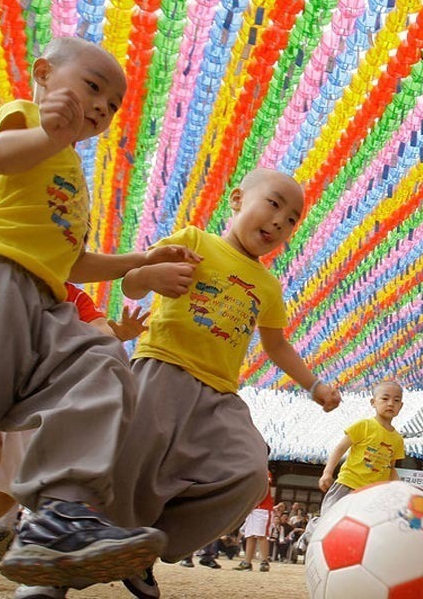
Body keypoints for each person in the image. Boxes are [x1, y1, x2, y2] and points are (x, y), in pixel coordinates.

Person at [0, 36, 198, 590]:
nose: (102, 107)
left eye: (112, 104)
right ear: (43, 74)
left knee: (99, 362)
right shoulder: (24, 118)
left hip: (43, 300)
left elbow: (71, 259)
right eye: (92, 87)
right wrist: (47, 132)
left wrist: (141, 259)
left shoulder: (72, 175)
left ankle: (63, 516)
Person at [103, 167, 342, 598]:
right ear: (237, 200)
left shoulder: (268, 286)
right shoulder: (194, 241)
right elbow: (133, 279)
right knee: (126, 466)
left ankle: (145, 548)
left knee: (250, 473)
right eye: (273, 204)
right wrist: (150, 277)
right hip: (162, 369)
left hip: (219, 394)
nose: (279, 222)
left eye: (292, 220)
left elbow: (277, 345)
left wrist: (315, 386)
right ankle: (78, 554)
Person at [0, 284, 149, 589]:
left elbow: (98, 333)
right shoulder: (4, 276)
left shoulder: (75, 296)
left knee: (14, 484)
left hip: (37, 395)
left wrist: (119, 334)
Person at [318, 380, 404, 514]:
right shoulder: (364, 425)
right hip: (348, 484)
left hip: (372, 494)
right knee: (329, 520)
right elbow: (340, 448)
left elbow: (391, 468)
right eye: (385, 398)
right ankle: (311, 533)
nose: (391, 403)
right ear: (373, 402)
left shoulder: (398, 439)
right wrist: (327, 472)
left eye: (396, 400)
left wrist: (401, 490)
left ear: (401, 406)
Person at [233, 472, 274, 573]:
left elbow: (264, 486)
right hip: (251, 508)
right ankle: (247, 562)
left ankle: (264, 561)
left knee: (261, 535)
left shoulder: (264, 472)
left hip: (263, 508)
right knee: (249, 536)